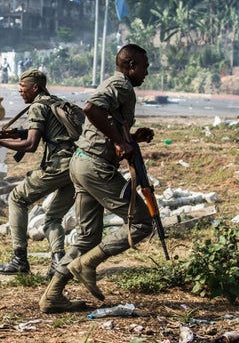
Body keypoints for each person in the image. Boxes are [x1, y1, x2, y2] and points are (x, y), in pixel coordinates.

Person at [40, 43, 155, 314]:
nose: (146, 74)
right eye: (145, 68)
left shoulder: (119, 86)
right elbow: (91, 109)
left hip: (82, 162)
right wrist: (119, 141)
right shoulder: (122, 85)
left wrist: (131, 138)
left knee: (87, 237)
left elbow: (106, 122)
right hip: (95, 167)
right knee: (142, 221)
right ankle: (87, 264)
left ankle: (53, 295)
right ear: (131, 66)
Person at [0, 70, 76, 280]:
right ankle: (58, 263)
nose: (20, 91)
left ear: (35, 87)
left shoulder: (38, 106)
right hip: (77, 167)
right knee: (53, 217)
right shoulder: (55, 102)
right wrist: (17, 134)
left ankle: (19, 259)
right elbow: (50, 132)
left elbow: (31, 145)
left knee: (17, 198)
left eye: (23, 87)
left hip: (59, 166)